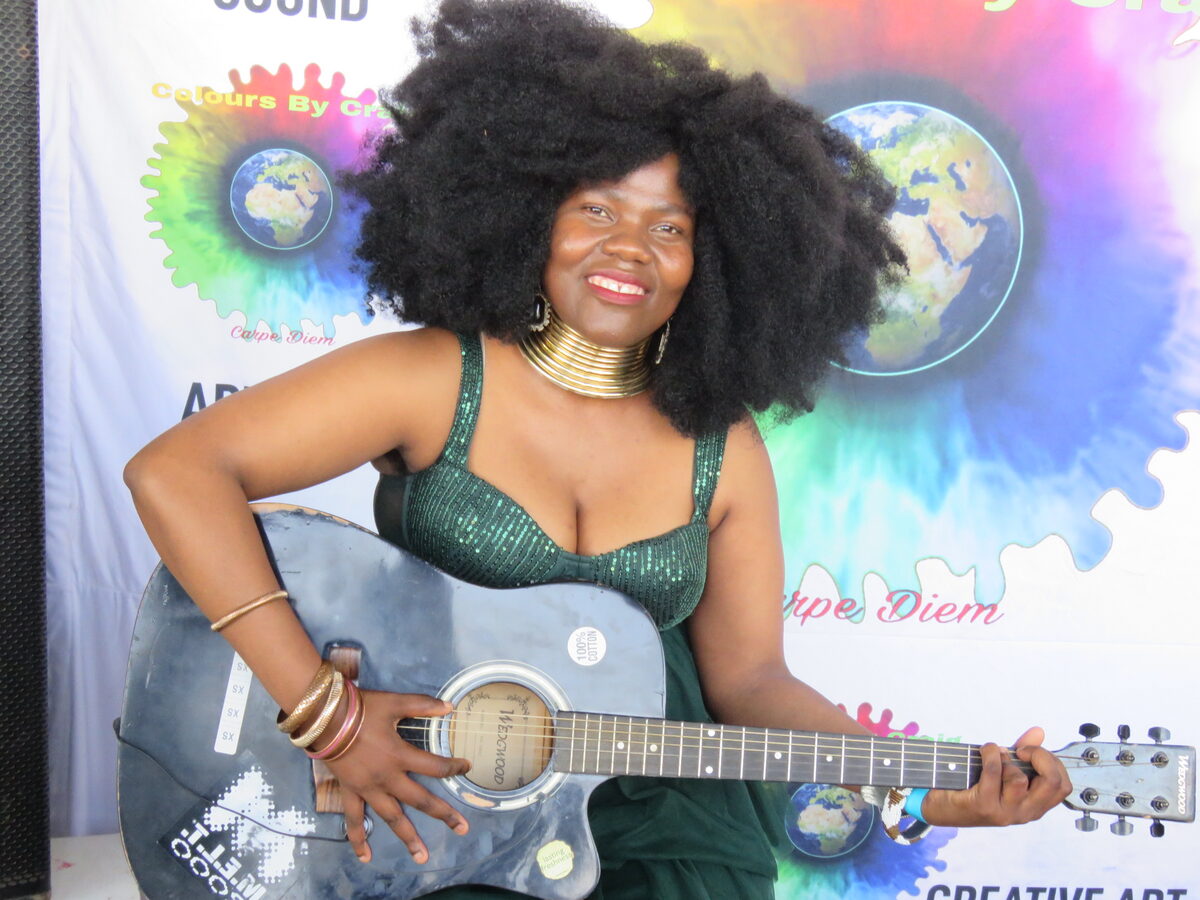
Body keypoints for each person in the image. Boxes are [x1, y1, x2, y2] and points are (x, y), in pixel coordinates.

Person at [123, 0, 1071, 896]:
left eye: (672, 227)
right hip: (437, 813)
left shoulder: (722, 446)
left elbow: (751, 680)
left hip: (666, 825)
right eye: (598, 210)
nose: (631, 248)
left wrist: (909, 783)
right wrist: (327, 717)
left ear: (715, 262)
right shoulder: (433, 378)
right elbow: (175, 473)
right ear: (528, 215)